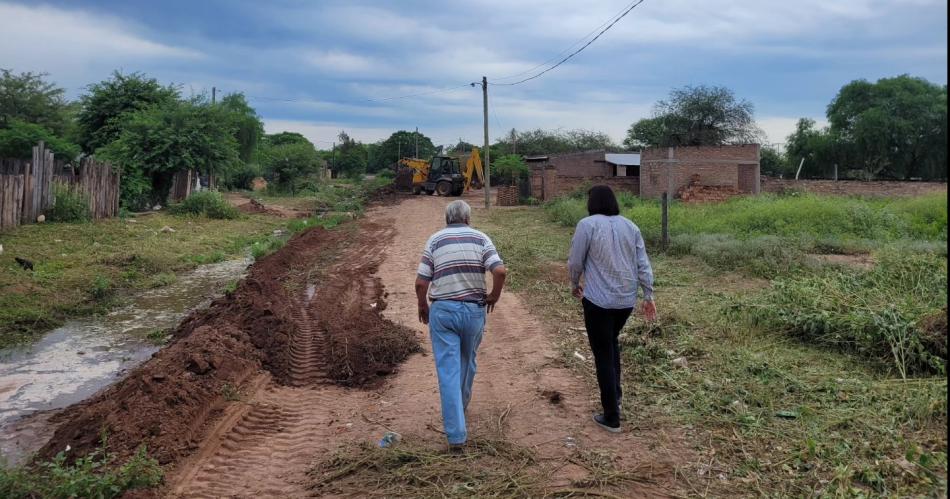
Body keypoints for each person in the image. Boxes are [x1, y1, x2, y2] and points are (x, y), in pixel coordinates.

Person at [415, 200, 507, 450]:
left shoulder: (435, 240)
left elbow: (421, 283)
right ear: (467, 219)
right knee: (468, 362)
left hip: (443, 312)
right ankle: (461, 406)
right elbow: (499, 271)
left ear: (447, 219)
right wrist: (494, 296)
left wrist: (423, 306)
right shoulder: (480, 238)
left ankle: (456, 435)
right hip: (473, 310)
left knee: (448, 370)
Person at [567, 185, 656, 433]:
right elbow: (643, 263)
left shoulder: (587, 225)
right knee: (612, 343)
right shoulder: (631, 226)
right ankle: (615, 395)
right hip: (625, 301)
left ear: (591, 202)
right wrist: (648, 295)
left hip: (598, 301)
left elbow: (575, 261)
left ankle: (611, 416)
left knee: (603, 352)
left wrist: (575, 283)